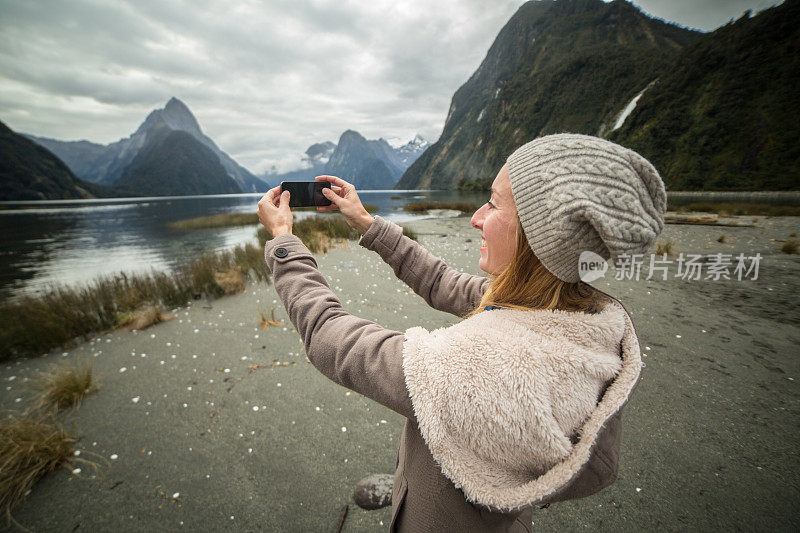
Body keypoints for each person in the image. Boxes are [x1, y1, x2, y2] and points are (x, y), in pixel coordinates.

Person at [256, 133, 666, 532]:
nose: (476, 218)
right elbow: (441, 282)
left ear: (539, 236)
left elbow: (333, 340)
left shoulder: (479, 371)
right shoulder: (572, 313)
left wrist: (284, 242)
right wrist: (364, 221)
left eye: (493, 203)